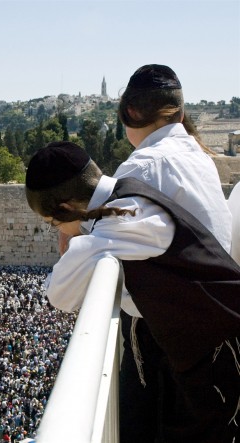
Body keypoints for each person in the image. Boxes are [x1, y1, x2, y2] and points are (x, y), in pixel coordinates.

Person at [25, 141, 240, 442]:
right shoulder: (130, 194)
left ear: (65, 208)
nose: (58, 231)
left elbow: (59, 295)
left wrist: (76, 244)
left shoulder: (119, 223)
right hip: (206, 343)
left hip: (218, 353)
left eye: (53, 223)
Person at [113, 64, 233, 443]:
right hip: (214, 337)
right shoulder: (201, 159)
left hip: (165, 343)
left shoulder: (140, 169)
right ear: (180, 113)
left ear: (129, 114)